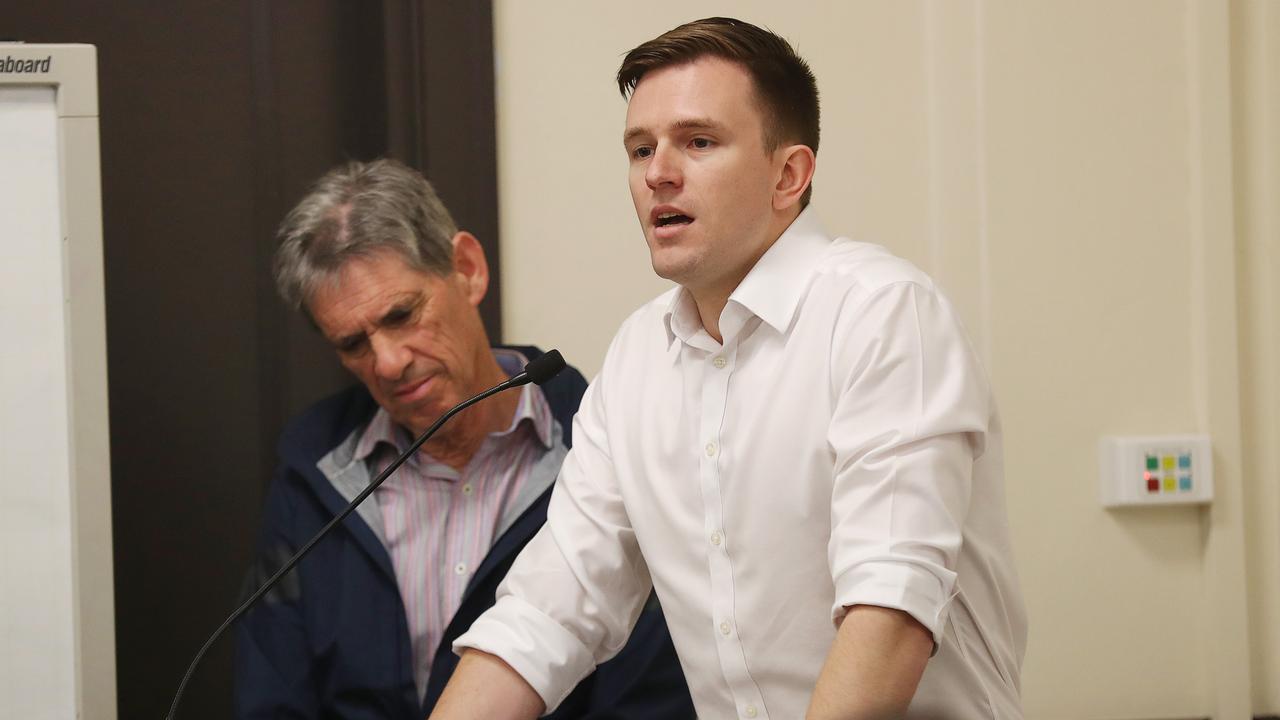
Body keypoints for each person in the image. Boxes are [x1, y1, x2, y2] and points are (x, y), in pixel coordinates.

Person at [431, 17, 1027, 720]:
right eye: (640, 148)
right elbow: (547, 612)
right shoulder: (637, 358)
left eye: (698, 142)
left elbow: (890, 610)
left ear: (789, 174)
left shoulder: (883, 313)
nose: (658, 173)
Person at [234, 159, 693, 720]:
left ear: (468, 269)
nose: (388, 362)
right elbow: (272, 697)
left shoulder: (601, 452)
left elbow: (648, 699)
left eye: (402, 315)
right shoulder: (313, 472)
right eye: (354, 344)